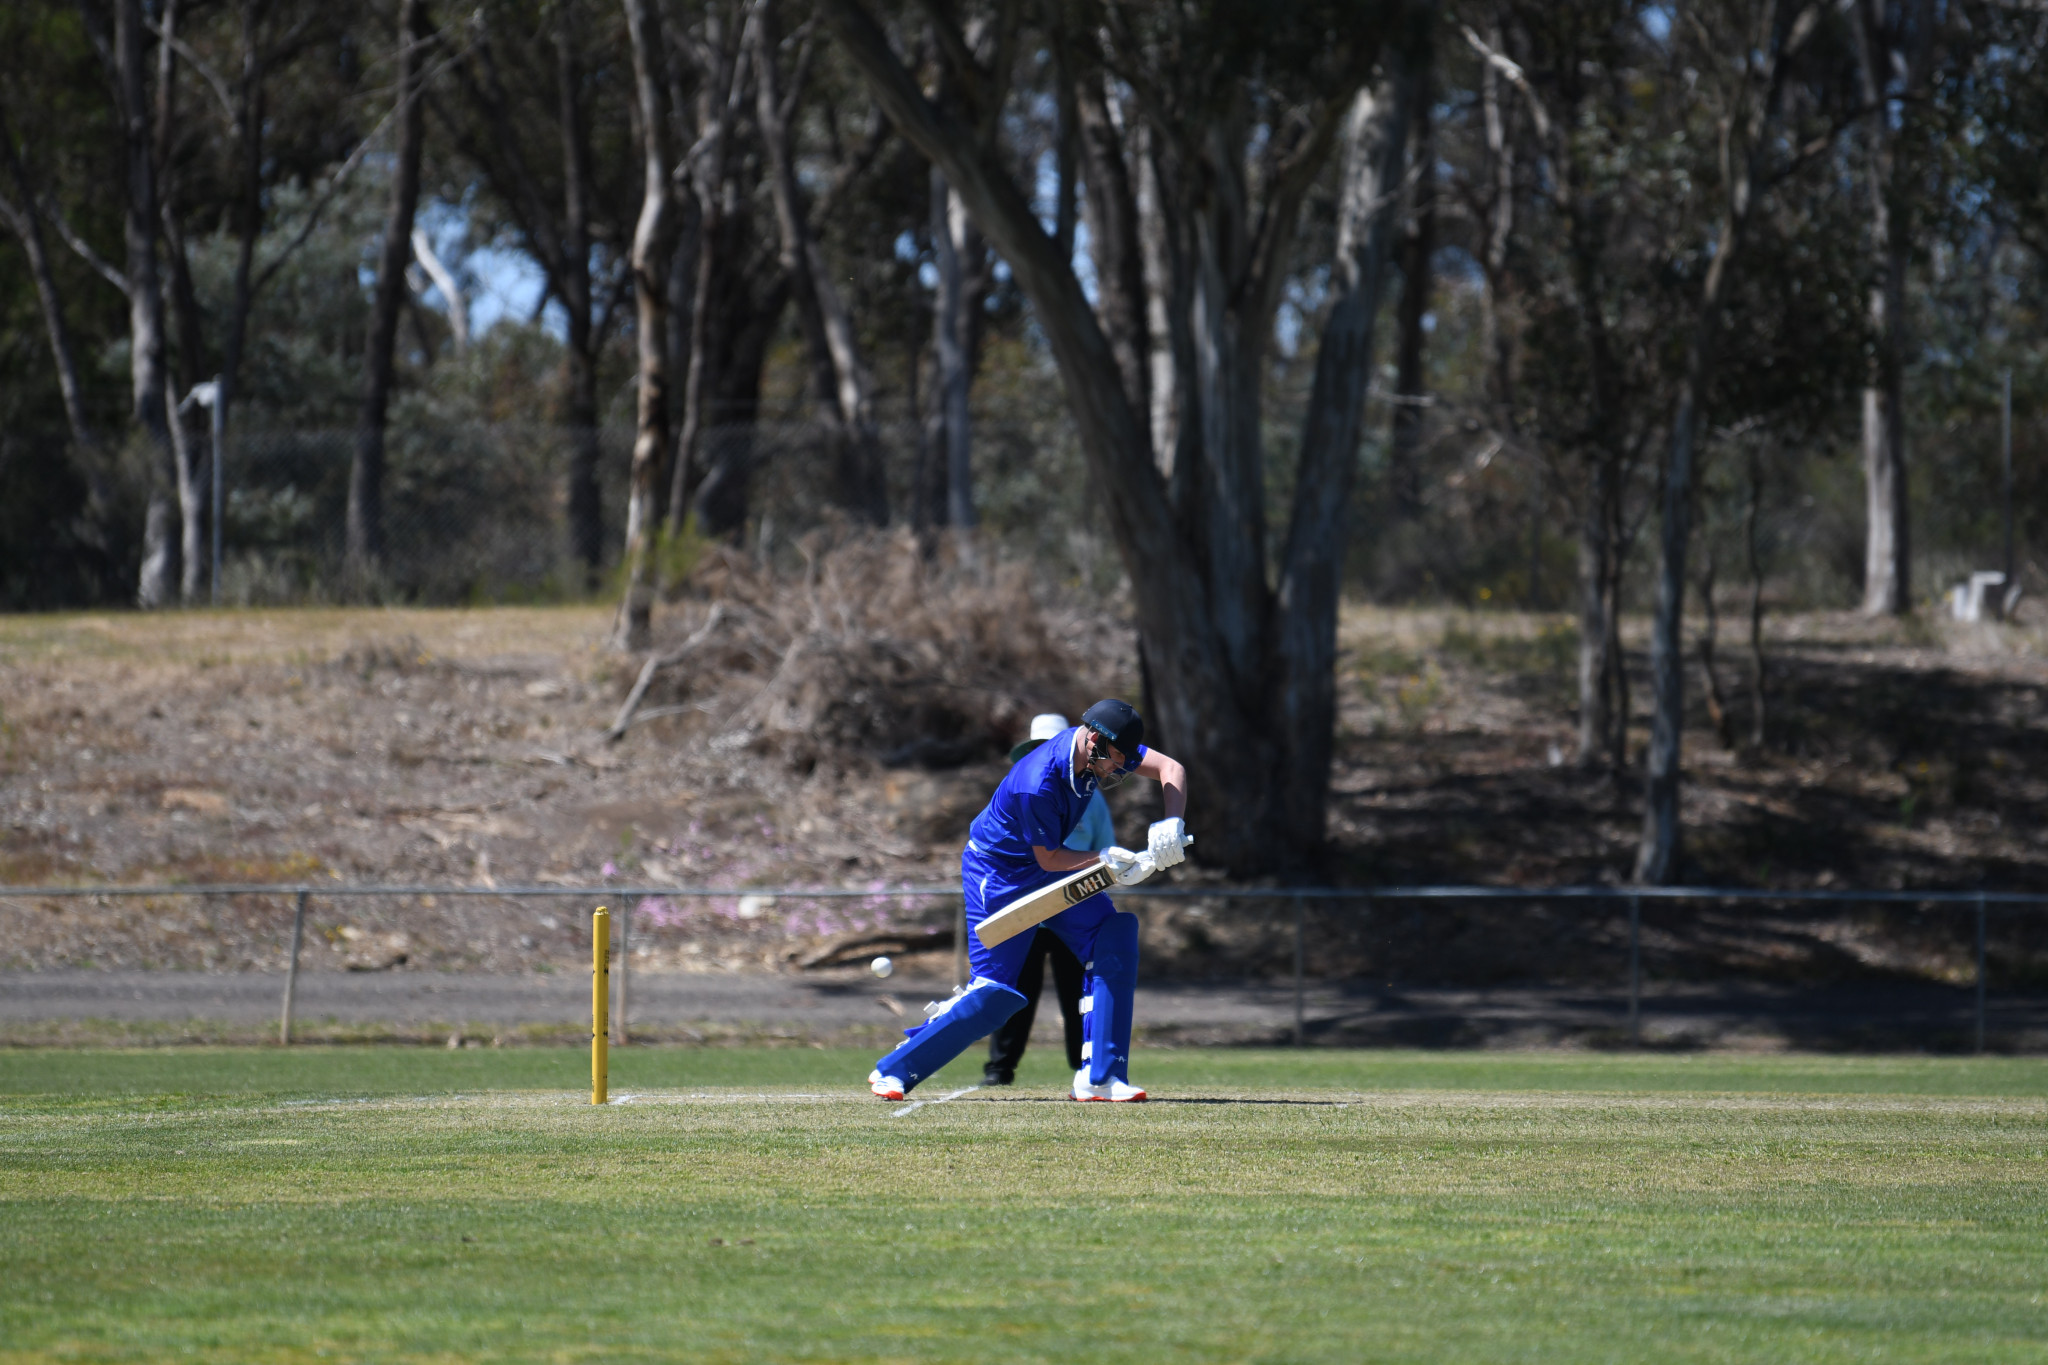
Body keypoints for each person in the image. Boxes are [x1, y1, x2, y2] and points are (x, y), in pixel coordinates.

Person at [868, 699, 1188, 1102]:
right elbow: (1049, 858)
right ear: (1095, 741)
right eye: (1115, 761)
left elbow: (1170, 768)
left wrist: (1172, 821)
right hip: (998, 873)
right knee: (994, 994)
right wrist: (1105, 859)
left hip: (1043, 864)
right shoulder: (1038, 782)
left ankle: (1101, 1077)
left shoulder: (1105, 749)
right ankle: (896, 1069)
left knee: (1114, 934)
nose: (1118, 769)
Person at [981, 713, 1103, 1087]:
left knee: (1079, 994)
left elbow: (1104, 849)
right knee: (1015, 991)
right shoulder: (1026, 789)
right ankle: (999, 1069)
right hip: (1026, 908)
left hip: (1072, 906)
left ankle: (1086, 1068)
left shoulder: (1091, 797)